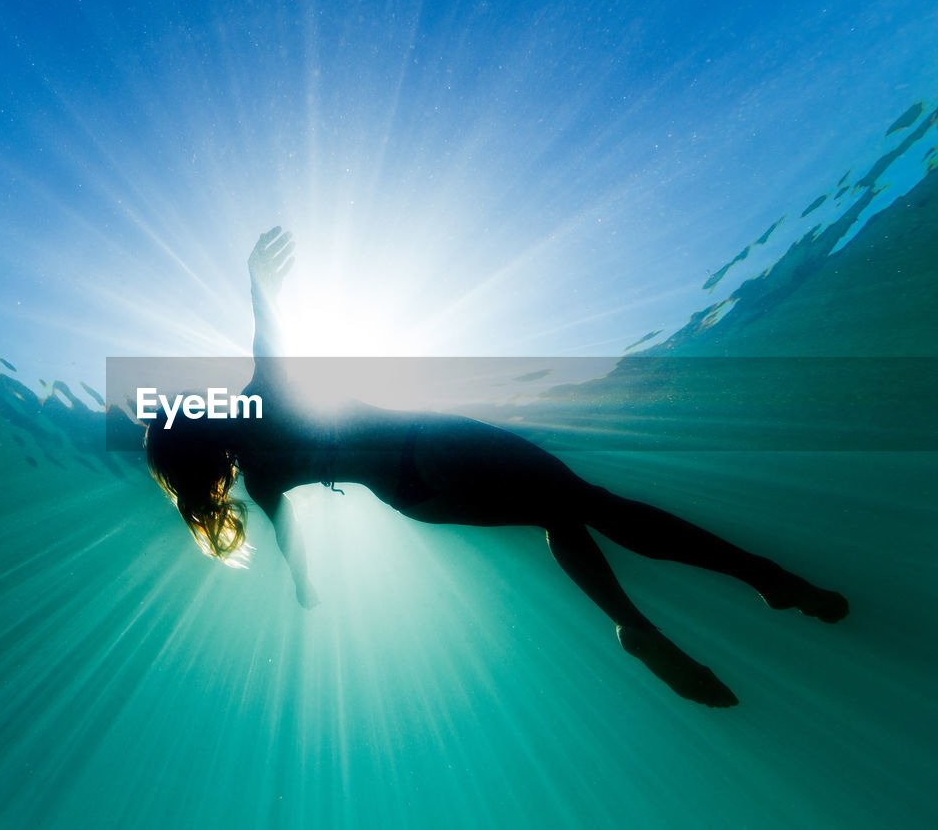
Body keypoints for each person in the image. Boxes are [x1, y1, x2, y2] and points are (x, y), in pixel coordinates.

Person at [145, 227, 849, 707]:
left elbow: (291, 534)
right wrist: (257, 279)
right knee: (588, 501)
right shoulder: (261, 393)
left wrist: (304, 586)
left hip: (415, 495)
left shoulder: (261, 475)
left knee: (558, 514)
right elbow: (270, 332)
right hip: (429, 444)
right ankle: (762, 577)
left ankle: (637, 624)